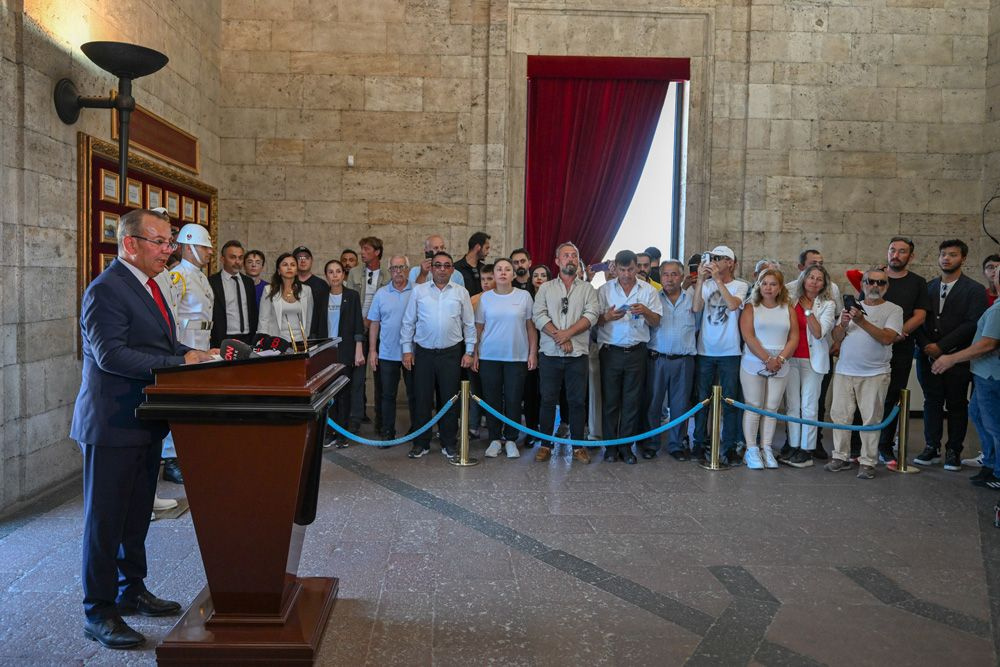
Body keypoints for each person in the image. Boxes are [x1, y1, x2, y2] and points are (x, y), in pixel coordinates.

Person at [72, 209, 213, 649]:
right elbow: (111, 355)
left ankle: (130, 590)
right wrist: (178, 364)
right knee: (105, 521)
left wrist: (197, 355)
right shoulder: (105, 290)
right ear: (130, 243)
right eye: (161, 242)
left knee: (135, 516)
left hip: (145, 419)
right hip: (112, 423)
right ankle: (99, 611)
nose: (169, 251)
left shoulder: (151, 287)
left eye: (171, 243)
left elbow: (162, 344)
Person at [912, 240, 987, 470]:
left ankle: (954, 450)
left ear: (963, 258)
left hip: (957, 357)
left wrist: (942, 347)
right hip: (927, 356)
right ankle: (931, 447)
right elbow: (919, 320)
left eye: (952, 255)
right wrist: (928, 346)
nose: (946, 258)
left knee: (956, 404)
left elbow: (971, 324)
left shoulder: (974, 290)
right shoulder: (928, 287)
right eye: (943, 254)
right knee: (931, 401)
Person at [826, 267, 903, 480]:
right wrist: (842, 324)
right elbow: (836, 337)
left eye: (880, 283)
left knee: (871, 419)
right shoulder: (852, 309)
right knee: (840, 416)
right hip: (844, 371)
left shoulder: (893, 310)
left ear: (886, 287)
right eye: (870, 282)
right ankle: (840, 456)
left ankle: (868, 461)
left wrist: (861, 321)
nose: (874, 286)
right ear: (863, 285)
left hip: (875, 374)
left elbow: (887, 338)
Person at [400, 251, 476, 459]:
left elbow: (469, 325)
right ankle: (421, 443)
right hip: (423, 354)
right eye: (438, 265)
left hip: (451, 354)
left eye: (446, 265)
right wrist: (407, 350)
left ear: (452, 269)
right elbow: (408, 322)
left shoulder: (461, 292)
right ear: (431, 268)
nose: (442, 269)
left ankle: (448, 443)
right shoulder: (419, 291)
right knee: (422, 400)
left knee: (449, 400)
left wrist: (469, 352)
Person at [932, 262, 1000, 489]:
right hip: (983, 375)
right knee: (979, 417)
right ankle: (990, 464)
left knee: (994, 425)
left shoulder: (998, 308)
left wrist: (951, 358)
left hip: (992, 376)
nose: (995, 277)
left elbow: (988, 344)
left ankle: (997, 472)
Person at [533, 242, 599, 463]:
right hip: (550, 354)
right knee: (548, 400)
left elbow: (592, 315)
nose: (570, 259)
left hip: (577, 355)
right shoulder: (545, 288)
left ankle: (578, 446)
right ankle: (545, 444)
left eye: (574, 256)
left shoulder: (588, 289)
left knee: (577, 401)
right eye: (566, 256)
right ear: (557, 261)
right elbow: (538, 315)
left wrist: (567, 334)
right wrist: (558, 337)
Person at [597, 250, 663, 463]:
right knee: (610, 401)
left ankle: (626, 447)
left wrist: (644, 311)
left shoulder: (648, 291)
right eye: (622, 270)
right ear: (615, 268)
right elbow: (593, 320)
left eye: (631, 269)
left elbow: (656, 322)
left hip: (636, 352)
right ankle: (610, 448)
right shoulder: (604, 290)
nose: (626, 274)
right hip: (611, 352)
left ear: (638, 268)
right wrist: (606, 316)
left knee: (632, 401)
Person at [871, 237, 930, 467]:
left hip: (902, 347)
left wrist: (897, 333)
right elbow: (864, 307)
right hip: (872, 347)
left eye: (902, 251)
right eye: (892, 250)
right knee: (868, 396)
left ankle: (885, 446)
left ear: (910, 257)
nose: (896, 255)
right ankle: (860, 444)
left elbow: (920, 315)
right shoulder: (875, 276)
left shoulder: (917, 282)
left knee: (892, 396)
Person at [691, 245, 750, 466]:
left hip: (730, 352)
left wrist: (717, 281)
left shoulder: (740, 285)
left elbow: (733, 305)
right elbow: (696, 308)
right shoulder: (706, 284)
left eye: (719, 258)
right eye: (713, 257)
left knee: (729, 402)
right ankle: (698, 443)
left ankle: (729, 447)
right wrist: (699, 280)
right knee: (702, 400)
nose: (714, 261)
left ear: (731, 263)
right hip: (705, 350)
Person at [475, 258, 538, 458]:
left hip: (516, 356)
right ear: (493, 274)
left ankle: (511, 439)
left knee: (513, 399)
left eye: (507, 269)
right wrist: (474, 353)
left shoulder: (524, 296)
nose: (503, 273)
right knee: (491, 399)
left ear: (513, 274)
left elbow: (530, 327)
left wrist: (532, 353)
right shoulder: (486, 298)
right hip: (489, 355)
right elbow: (478, 328)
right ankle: (494, 438)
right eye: (499, 269)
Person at [738, 269, 798, 469]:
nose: (769, 288)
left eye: (773, 284)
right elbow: (749, 336)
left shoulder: (787, 308)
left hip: (780, 361)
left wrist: (779, 359)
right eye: (765, 283)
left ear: (780, 287)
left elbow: (794, 337)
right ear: (759, 285)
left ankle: (767, 447)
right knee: (754, 405)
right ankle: (752, 449)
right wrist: (767, 359)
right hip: (755, 361)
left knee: (772, 408)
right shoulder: (750, 307)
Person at [787, 249, 841, 460]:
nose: (815, 282)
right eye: (811, 277)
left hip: (814, 361)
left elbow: (818, 333)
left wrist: (808, 311)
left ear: (824, 284)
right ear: (804, 278)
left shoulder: (827, 304)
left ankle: (806, 448)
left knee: (809, 405)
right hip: (790, 358)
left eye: (820, 279)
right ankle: (792, 444)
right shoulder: (790, 300)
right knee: (792, 405)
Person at [641, 260, 697, 461]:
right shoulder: (653, 299)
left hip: (683, 360)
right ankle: (651, 443)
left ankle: (676, 444)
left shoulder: (692, 300)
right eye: (665, 274)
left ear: (682, 277)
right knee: (654, 404)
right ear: (660, 277)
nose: (669, 278)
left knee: (680, 405)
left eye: (674, 274)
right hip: (657, 359)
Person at [316, 259, 365, 443]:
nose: (335, 275)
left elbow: (358, 326)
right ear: (326, 275)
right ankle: (329, 432)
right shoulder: (321, 296)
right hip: (326, 352)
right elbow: (316, 324)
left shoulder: (352, 296)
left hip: (345, 351)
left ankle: (343, 434)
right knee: (328, 394)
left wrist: (358, 350)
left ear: (343, 275)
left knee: (344, 393)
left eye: (338, 271)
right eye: (330, 272)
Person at [368, 256, 415, 441]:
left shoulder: (417, 291)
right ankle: (387, 432)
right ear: (389, 270)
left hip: (411, 353)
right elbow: (374, 323)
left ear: (408, 269)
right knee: (387, 395)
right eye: (394, 268)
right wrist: (373, 350)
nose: (398, 271)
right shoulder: (381, 293)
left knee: (414, 394)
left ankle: (416, 431)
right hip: (387, 353)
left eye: (401, 267)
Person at [346, 236, 390, 430]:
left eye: (366, 249)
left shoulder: (388, 275)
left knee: (382, 380)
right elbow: (349, 302)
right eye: (361, 249)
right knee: (357, 379)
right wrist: (361, 322)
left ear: (377, 252)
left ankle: (382, 423)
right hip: (358, 330)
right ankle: (355, 419)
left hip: (382, 332)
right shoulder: (354, 273)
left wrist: (373, 321)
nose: (362, 253)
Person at [209, 239, 258, 347]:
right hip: (222, 340)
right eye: (232, 257)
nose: (237, 261)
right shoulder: (212, 282)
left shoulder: (248, 282)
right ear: (222, 259)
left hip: (247, 339)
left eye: (240, 258)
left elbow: (253, 313)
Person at [258, 252, 313, 346]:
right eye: (285, 265)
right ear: (279, 270)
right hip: (276, 342)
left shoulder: (306, 290)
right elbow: (263, 320)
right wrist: (262, 342)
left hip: (300, 342)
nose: (289, 267)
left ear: (296, 271)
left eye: (293, 265)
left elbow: (309, 317)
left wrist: (306, 338)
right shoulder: (268, 290)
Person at [293, 246, 328, 338]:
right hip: (292, 333)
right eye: (299, 258)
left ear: (311, 261)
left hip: (315, 334)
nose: (303, 260)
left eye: (306, 257)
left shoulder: (321, 285)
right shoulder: (288, 283)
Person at [454, 231, 491, 296]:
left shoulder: (484, 268)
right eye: (486, 248)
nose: (488, 252)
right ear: (478, 247)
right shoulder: (456, 268)